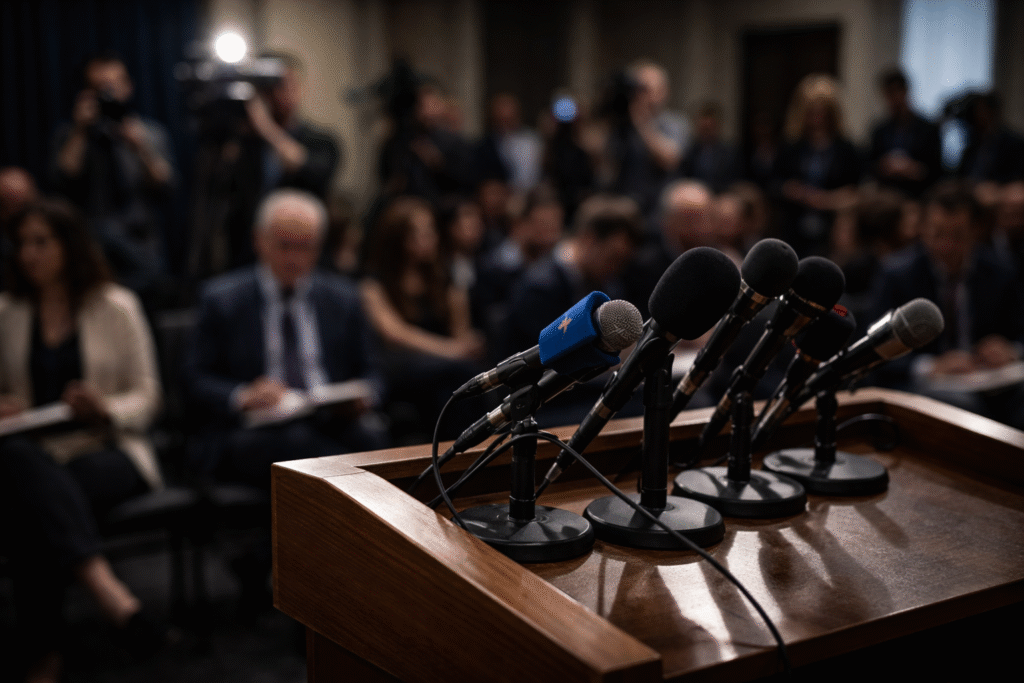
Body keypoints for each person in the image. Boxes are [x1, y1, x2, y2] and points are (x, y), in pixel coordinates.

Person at [0, 198, 165, 682]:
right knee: (26, 474)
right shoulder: (7, 312)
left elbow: (148, 397)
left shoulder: (116, 306)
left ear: (69, 246)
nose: (28, 254)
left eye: (41, 242)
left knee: (28, 502)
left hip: (108, 449)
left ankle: (45, 659)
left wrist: (104, 407)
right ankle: (110, 593)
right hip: (34, 452)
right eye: (21, 244)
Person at [185, 189, 385, 486]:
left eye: (307, 247)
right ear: (259, 241)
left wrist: (363, 397)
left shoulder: (342, 299)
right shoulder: (222, 300)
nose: (296, 259)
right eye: (286, 246)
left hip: (328, 420)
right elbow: (193, 380)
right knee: (298, 445)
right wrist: (242, 396)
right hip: (254, 430)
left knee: (373, 438)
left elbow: (374, 372)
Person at [868, 181, 1024, 429]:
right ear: (923, 229)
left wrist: (1010, 350)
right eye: (937, 233)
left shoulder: (1000, 271)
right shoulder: (897, 274)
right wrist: (932, 366)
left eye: (957, 236)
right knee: (964, 407)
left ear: (976, 231)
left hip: (990, 380)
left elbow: (1019, 331)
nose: (946, 245)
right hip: (925, 385)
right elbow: (876, 349)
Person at [51, 52, 175, 301]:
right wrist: (80, 130)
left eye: (113, 86)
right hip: (90, 248)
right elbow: (61, 180)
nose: (108, 94)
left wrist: (140, 147)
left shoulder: (149, 133)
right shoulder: (71, 135)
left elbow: (167, 186)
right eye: (100, 88)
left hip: (140, 247)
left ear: (128, 87)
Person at [360, 196, 485, 438]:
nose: (430, 240)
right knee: (459, 371)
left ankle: (466, 448)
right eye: (420, 233)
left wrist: (464, 345)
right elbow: (396, 334)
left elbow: (461, 333)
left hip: (443, 369)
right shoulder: (374, 284)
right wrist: (451, 351)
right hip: (399, 366)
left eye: (431, 232)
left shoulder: (443, 279)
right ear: (398, 239)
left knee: (464, 377)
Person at [205, 51, 342, 272]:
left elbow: (301, 164)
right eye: (273, 86)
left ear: (300, 86)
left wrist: (264, 126)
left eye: (286, 83)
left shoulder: (321, 141)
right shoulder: (244, 143)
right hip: (250, 256)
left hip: (303, 254)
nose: (281, 92)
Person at [772, 74, 862, 257]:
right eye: (811, 112)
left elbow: (857, 190)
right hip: (794, 225)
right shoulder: (791, 146)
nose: (817, 118)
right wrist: (795, 191)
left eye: (822, 112)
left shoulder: (846, 149)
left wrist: (826, 201)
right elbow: (774, 183)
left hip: (833, 226)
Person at [602, 60, 690, 218]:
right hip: (625, 209)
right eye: (636, 89)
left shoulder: (676, 123)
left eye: (645, 89)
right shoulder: (621, 125)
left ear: (664, 91)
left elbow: (669, 159)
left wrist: (641, 121)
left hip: (660, 211)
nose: (639, 94)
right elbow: (604, 165)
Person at [868, 68, 943, 198]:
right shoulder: (879, 130)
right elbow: (870, 165)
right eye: (888, 94)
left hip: (919, 194)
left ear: (906, 91)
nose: (893, 99)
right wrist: (885, 165)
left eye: (896, 92)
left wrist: (913, 169)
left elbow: (937, 170)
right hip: (887, 194)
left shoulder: (928, 129)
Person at [678, 101, 741, 194]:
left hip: (721, 196)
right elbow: (683, 178)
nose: (706, 133)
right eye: (703, 129)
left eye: (709, 129)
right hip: (693, 196)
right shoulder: (689, 151)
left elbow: (734, 182)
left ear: (717, 126)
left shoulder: (730, 153)